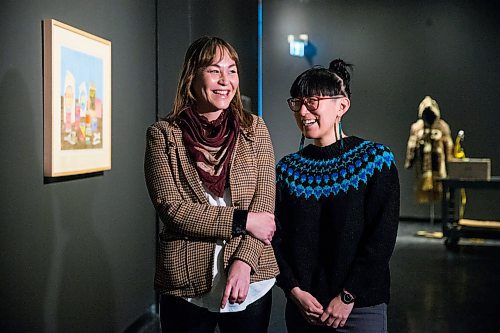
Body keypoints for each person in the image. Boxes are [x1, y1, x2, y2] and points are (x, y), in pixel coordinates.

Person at [144, 36, 279, 333]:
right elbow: (174, 210)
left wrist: (244, 262)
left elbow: (264, 205)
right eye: (214, 70)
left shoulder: (254, 129)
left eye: (232, 70)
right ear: (192, 76)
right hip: (186, 284)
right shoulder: (164, 135)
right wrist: (243, 220)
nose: (225, 80)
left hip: (252, 279)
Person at [272, 59, 400, 332]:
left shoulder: (375, 160)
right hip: (304, 309)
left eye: (312, 102)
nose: (303, 111)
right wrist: (293, 290)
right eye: (297, 102)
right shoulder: (287, 169)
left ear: (342, 106)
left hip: (359, 308)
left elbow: (381, 237)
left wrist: (347, 296)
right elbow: (276, 238)